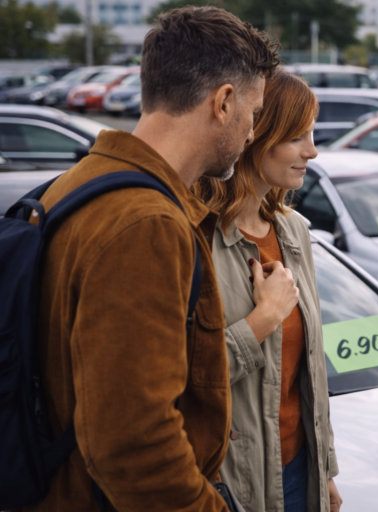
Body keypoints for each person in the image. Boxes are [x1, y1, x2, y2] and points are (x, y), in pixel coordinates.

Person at [20, 7, 279, 511]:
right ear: (224, 102)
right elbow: (133, 441)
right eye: (254, 111)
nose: (252, 133)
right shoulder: (145, 223)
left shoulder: (74, 185)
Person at [194, 68, 342, 512]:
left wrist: (326, 470)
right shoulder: (197, 235)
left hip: (299, 468)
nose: (312, 151)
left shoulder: (293, 230)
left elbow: (310, 371)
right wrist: (262, 320)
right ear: (255, 133)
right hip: (231, 480)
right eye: (297, 136)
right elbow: (182, 377)